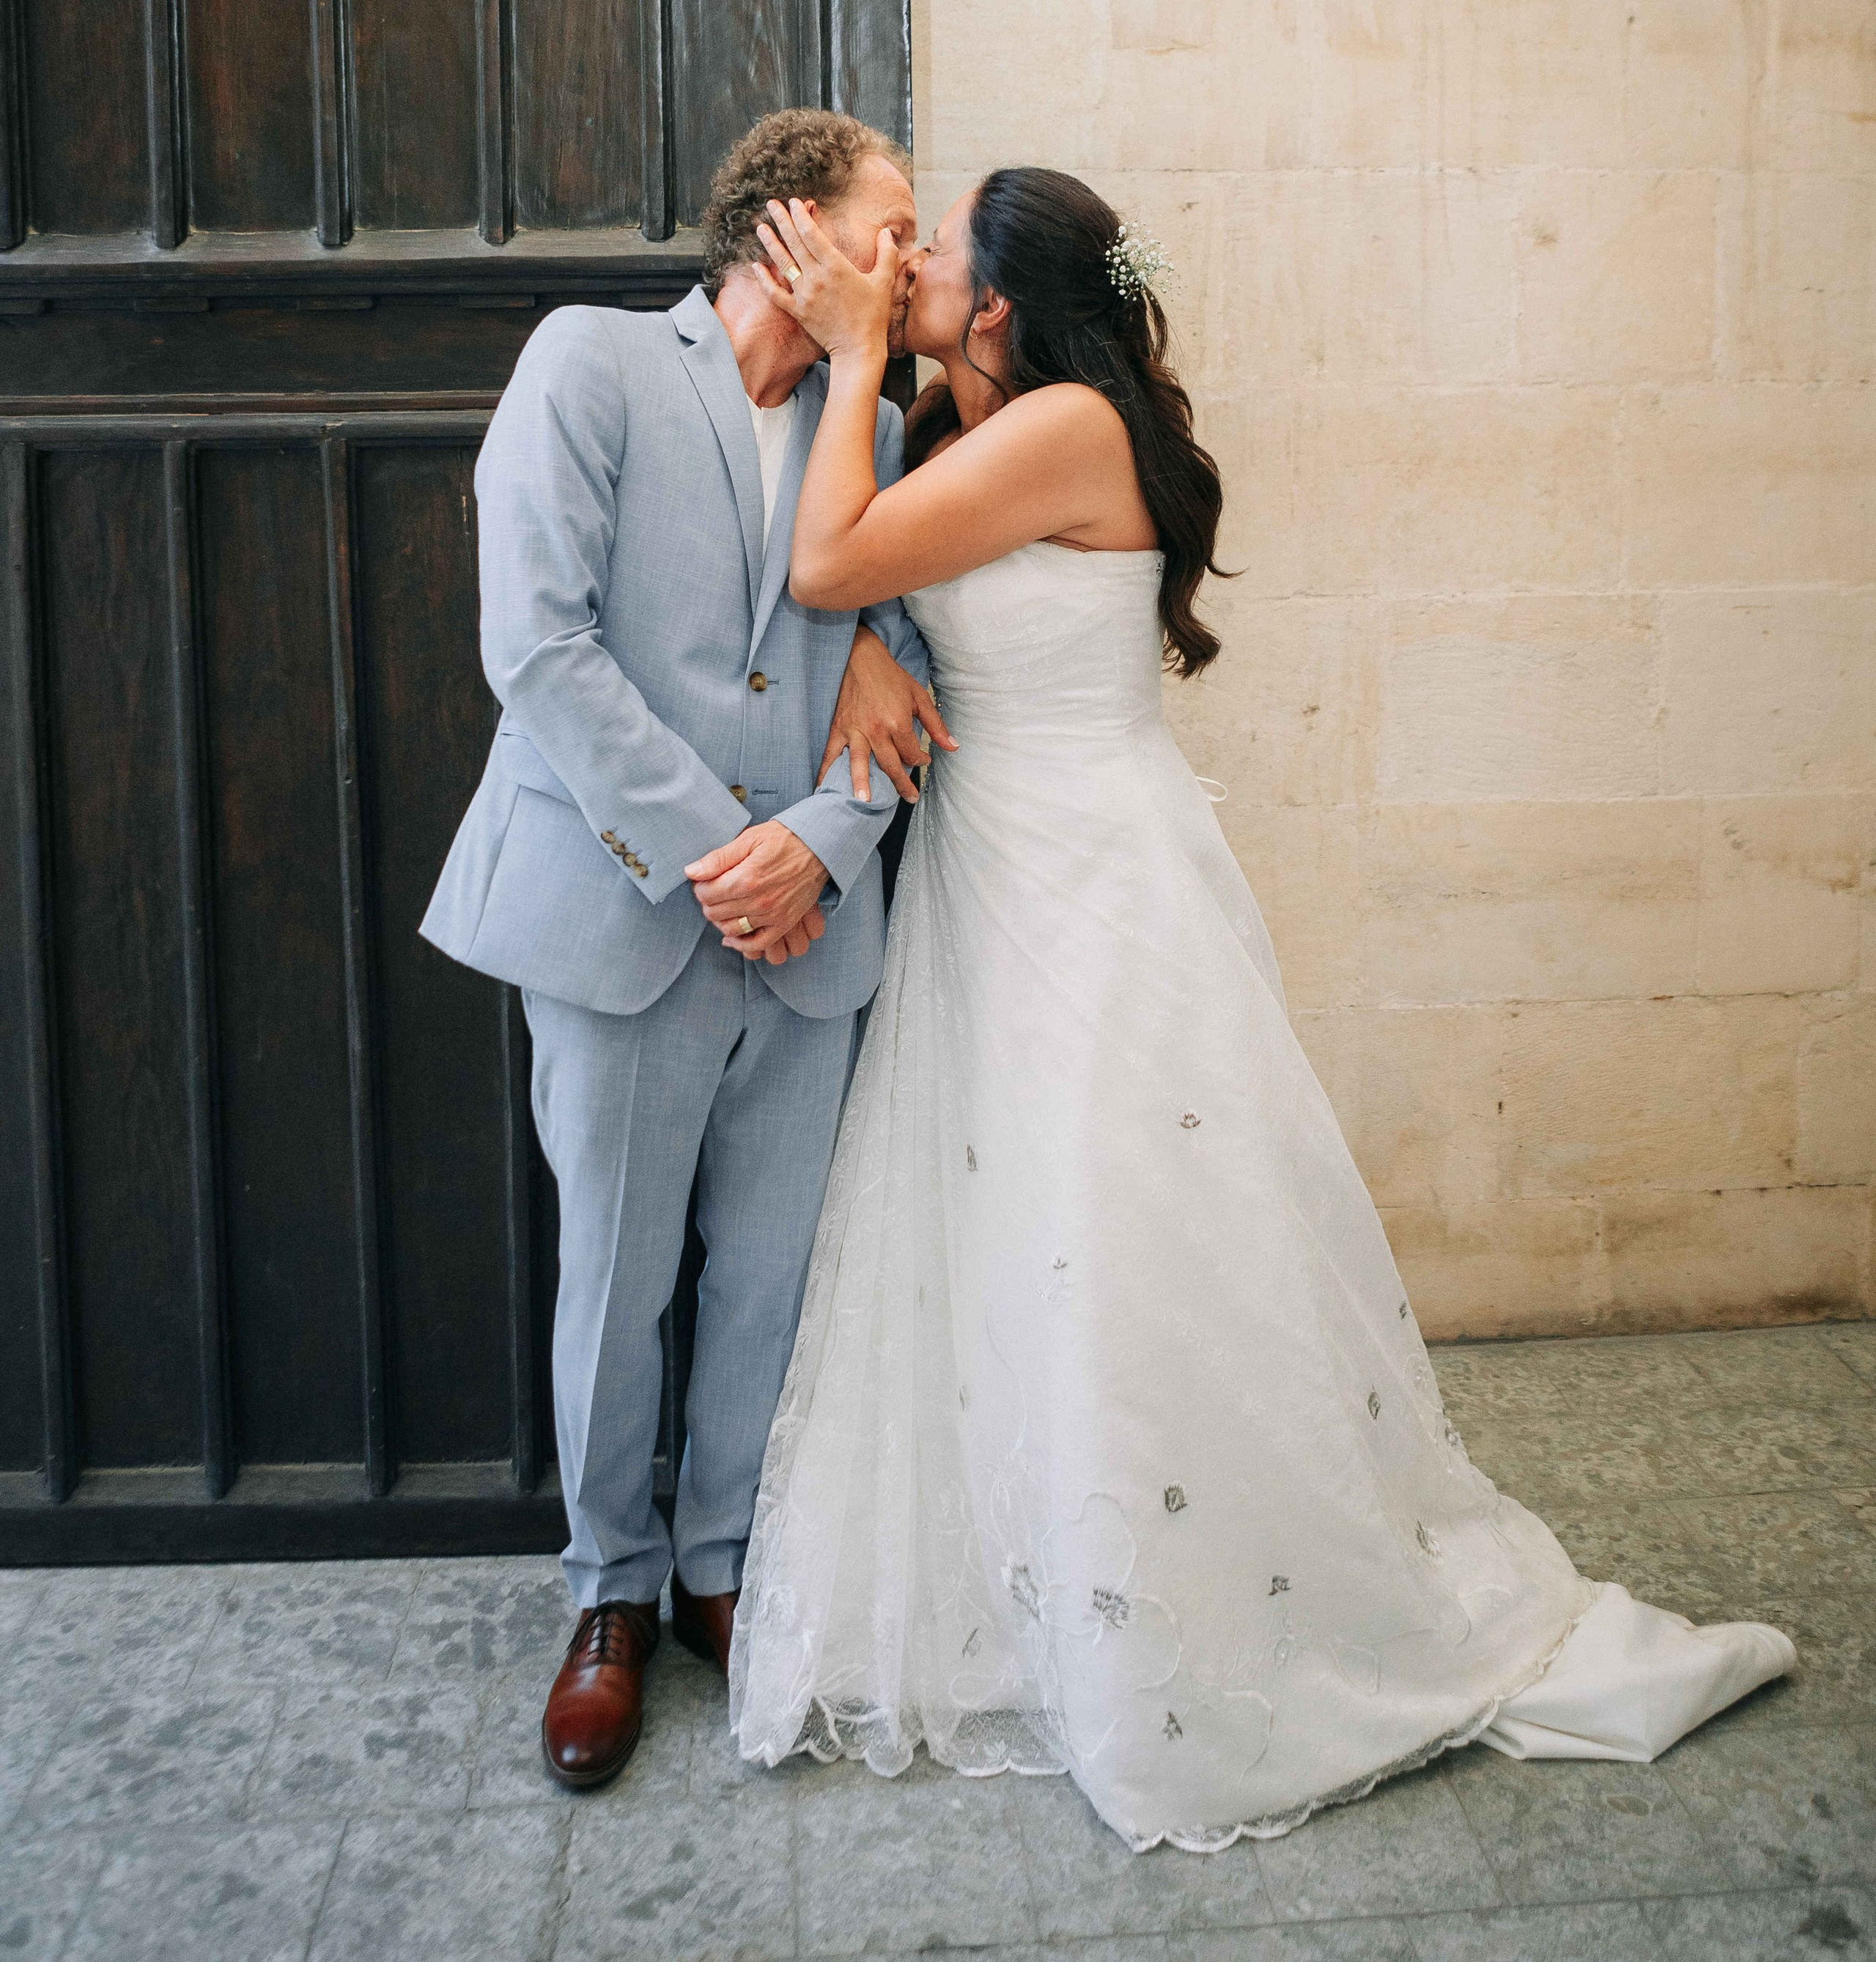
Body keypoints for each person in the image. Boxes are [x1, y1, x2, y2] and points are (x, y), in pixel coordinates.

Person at [726, 164, 1793, 1853]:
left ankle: (1199, 1598)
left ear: (994, 303)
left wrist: (851, 357)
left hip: (1091, 877)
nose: (905, 260)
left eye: (935, 249)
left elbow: (830, 558)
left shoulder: (1068, 425)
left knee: (1116, 1225)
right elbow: (873, 590)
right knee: (1016, 1226)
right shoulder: (959, 425)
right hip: (990, 876)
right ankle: (1048, 1579)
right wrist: (869, 640)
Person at [420, 110, 956, 1795]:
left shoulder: (882, 425)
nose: (911, 259)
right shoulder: (588, 363)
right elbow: (537, 644)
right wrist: (728, 853)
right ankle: (609, 1596)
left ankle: (725, 1566)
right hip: (623, 913)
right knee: (614, 1278)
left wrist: (824, 846)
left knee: (768, 1278)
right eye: (890, 225)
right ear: (791, 224)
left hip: (811, 932)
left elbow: (913, 665)